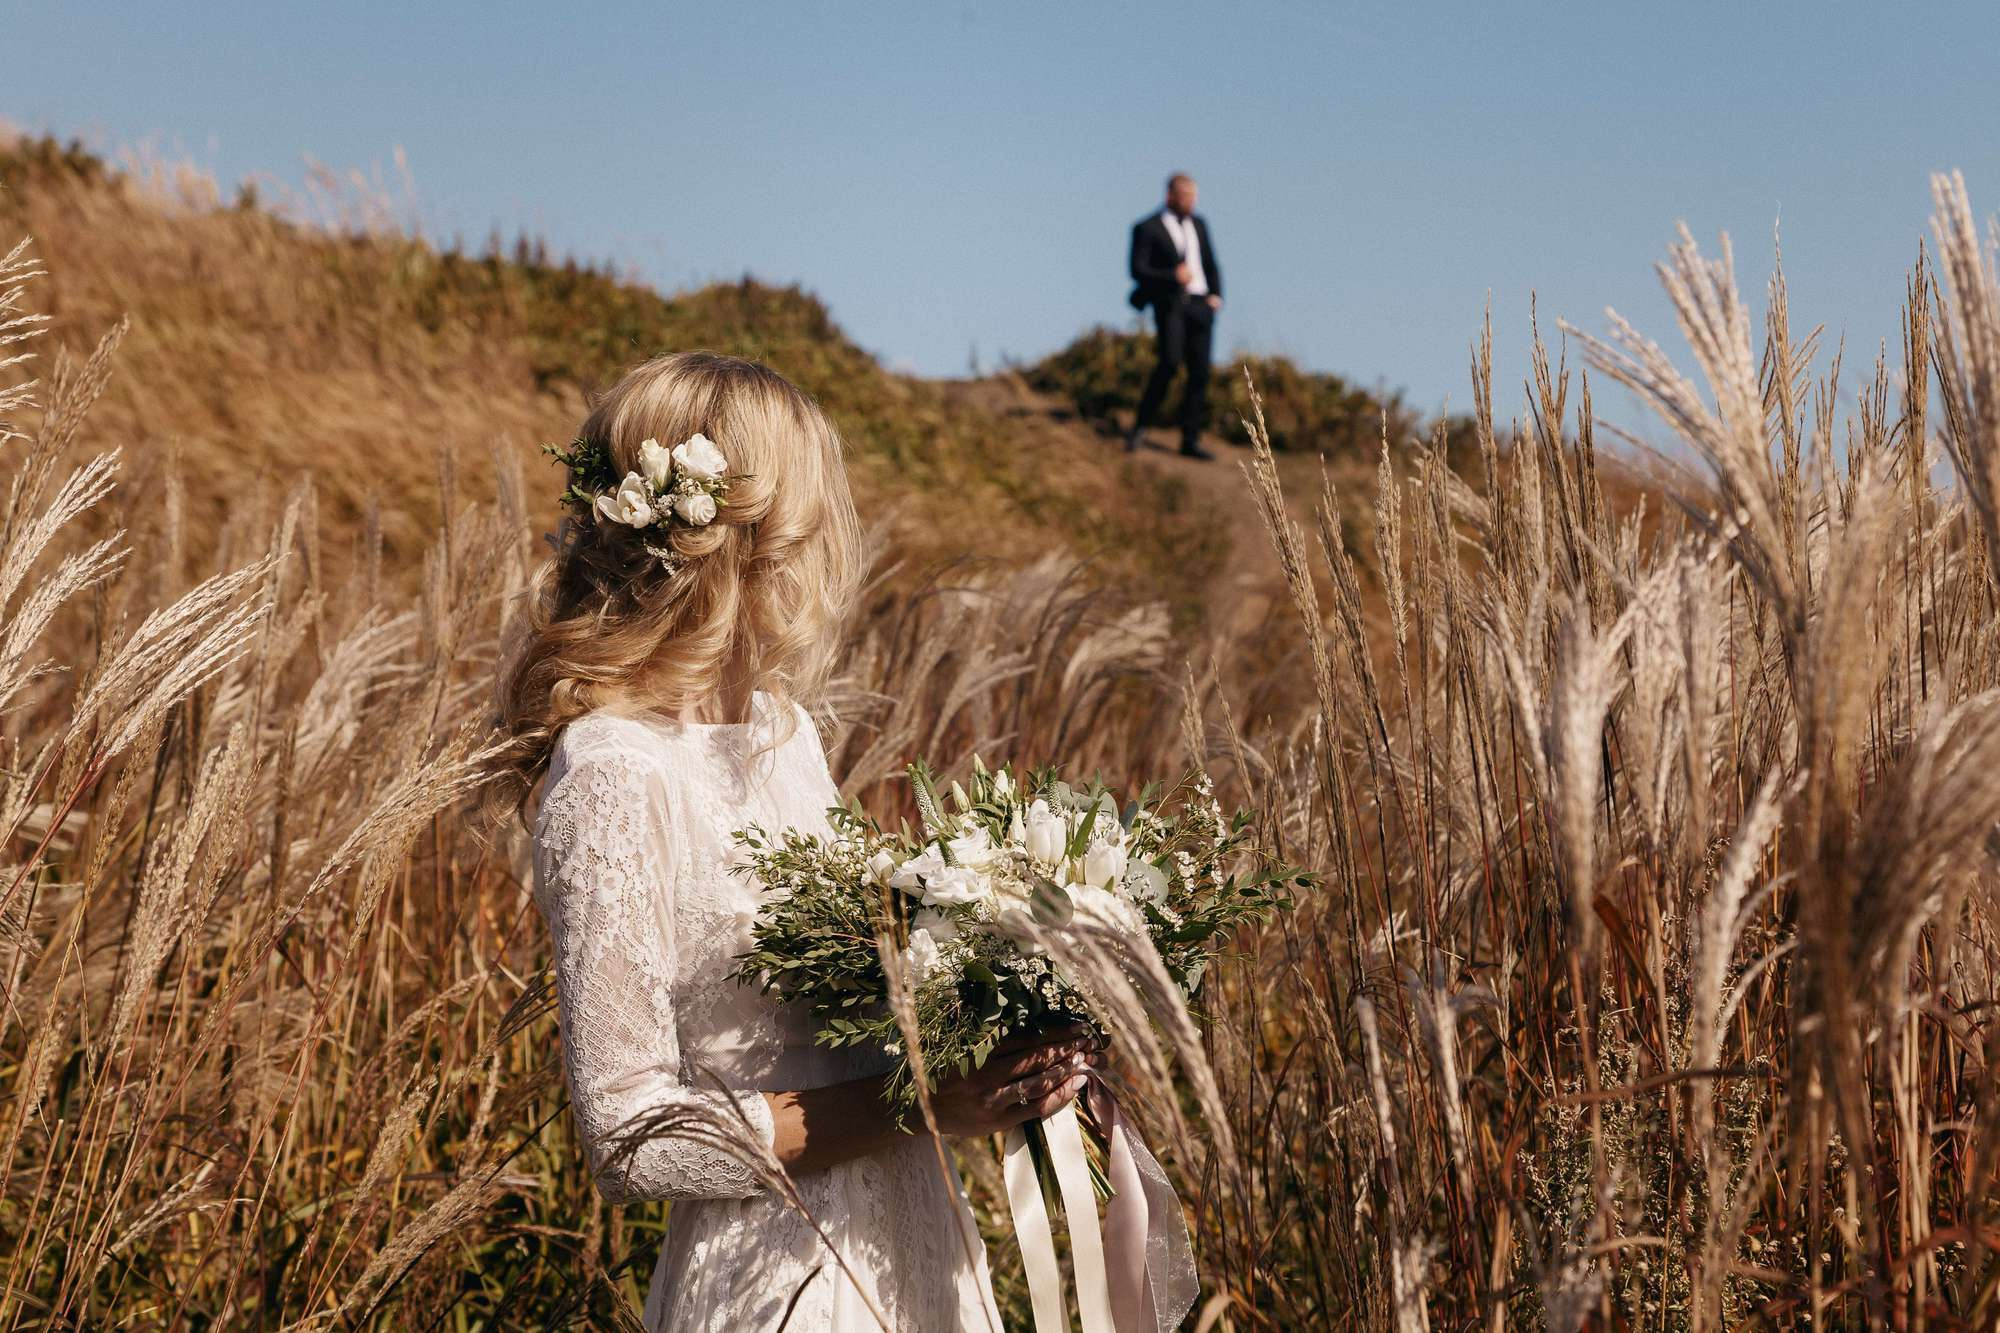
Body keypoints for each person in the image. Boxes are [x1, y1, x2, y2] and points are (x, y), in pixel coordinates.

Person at [495, 352, 1102, 1330]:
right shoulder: (613, 772)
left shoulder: (784, 733)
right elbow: (630, 1136)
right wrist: (920, 1103)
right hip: (774, 1277)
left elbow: (842, 1014)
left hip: (915, 1241)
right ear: (755, 535)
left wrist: (1007, 1019)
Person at [1126, 173, 1224, 460]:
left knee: (1200, 372)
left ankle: (1190, 440)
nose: (1192, 202)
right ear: (1171, 196)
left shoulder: (1200, 225)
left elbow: (1210, 262)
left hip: (1201, 305)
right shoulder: (1147, 227)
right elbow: (1137, 269)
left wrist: (1216, 295)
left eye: (1194, 197)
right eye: (1186, 197)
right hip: (1170, 304)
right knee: (1169, 363)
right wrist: (1172, 275)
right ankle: (1140, 425)